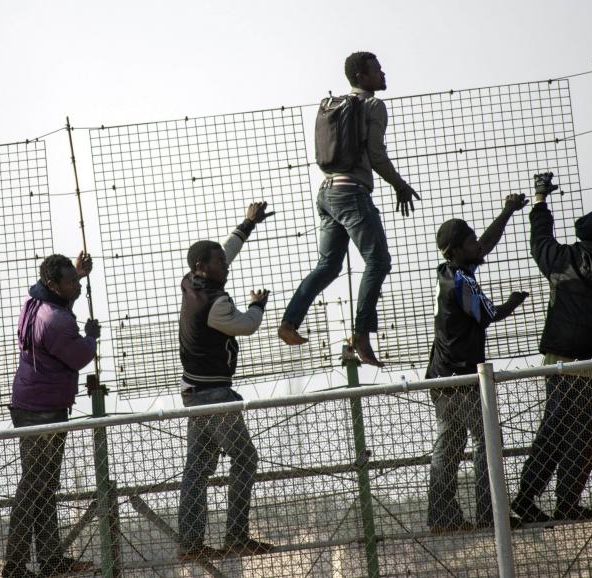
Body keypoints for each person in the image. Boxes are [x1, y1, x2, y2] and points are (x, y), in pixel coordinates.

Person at [278, 51, 421, 366]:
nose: (383, 74)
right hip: (352, 193)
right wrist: (399, 184)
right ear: (361, 76)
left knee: (328, 266)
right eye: (377, 70)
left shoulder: (336, 105)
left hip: (326, 193)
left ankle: (289, 323)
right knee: (378, 260)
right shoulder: (372, 105)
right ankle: (362, 334)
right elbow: (376, 153)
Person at [511, 172, 592, 523]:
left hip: (558, 358)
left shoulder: (560, 259)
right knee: (586, 435)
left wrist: (540, 201)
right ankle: (567, 501)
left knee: (553, 428)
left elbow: (540, 239)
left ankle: (525, 497)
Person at [425, 194, 530, 533]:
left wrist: (507, 212)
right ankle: (491, 513)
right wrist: (513, 303)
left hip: (442, 379)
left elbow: (484, 244)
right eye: (470, 241)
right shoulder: (461, 281)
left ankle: (443, 517)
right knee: (487, 444)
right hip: (463, 378)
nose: (477, 245)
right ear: (456, 250)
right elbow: (488, 314)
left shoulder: (450, 272)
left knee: (449, 447)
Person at [177, 202, 275, 561]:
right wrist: (258, 305)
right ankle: (236, 535)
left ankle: (189, 545)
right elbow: (245, 326)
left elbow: (225, 251)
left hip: (194, 394)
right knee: (246, 459)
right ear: (204, 266)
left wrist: (247, 225)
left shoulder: (191, 282)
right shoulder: (217, 303)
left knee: (198, 470)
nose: (226, 265)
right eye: (219, 263)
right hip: (215, 395)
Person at [2, 252, 99, 578]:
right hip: (43, 410)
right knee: (34, 488)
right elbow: (78, 357)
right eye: (71, 280)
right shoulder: (56, 320)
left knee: (41, 487)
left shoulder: (34, 305)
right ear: (52, 284)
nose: (77, 284)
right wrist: (91, 337)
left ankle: (50, 559)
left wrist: (78, 275)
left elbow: (59, 307)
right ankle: (14, 566)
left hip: (29, 402)